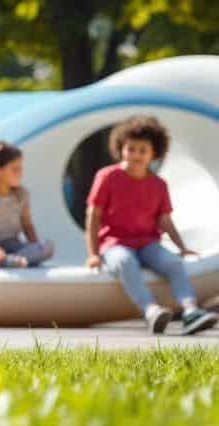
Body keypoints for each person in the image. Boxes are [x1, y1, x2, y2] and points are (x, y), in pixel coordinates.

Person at [85, 116, 216, 335]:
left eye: (143, 150)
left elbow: (165, 221)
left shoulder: (158, 185)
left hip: (147, 243)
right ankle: (151, 310)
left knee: (173, 263)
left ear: (154, 154)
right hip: (114, 243)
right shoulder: (107, 176)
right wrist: (93, 253)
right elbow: (93, 217)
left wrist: (182, 248)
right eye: (131, 149)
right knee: (125, 261)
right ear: (121, 149)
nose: (136, 155)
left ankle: (190, 310)